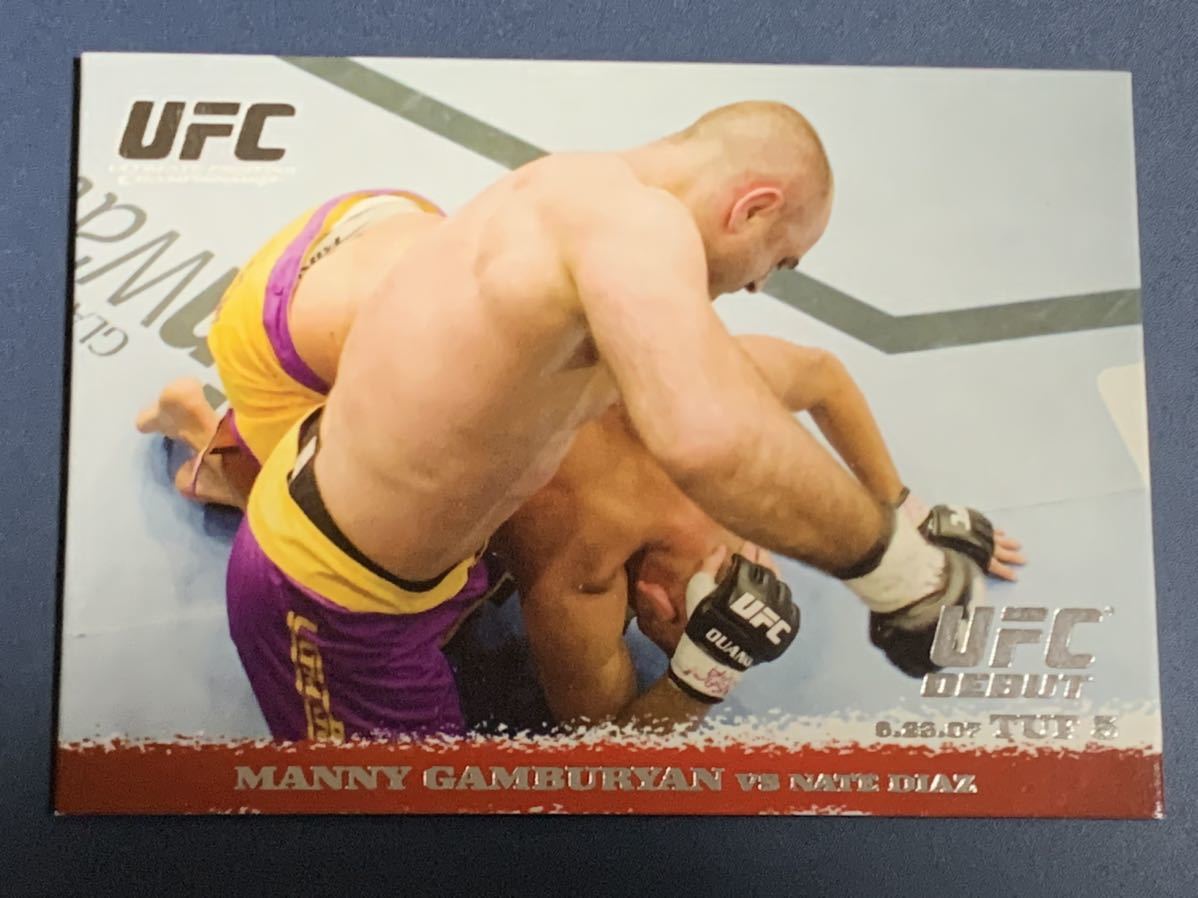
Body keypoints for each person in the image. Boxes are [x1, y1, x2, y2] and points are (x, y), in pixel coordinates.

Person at [140, 99, 990, 740]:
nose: (763, 283)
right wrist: (894, 566)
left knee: (441, 488)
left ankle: (218, 449)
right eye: (782, 259)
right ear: (752, 207)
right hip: (329, 594)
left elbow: (799, 385)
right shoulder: (580, 571)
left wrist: (901, 507)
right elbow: (712, 440)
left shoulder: (595, 203)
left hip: (379, 454)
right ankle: (219, 445)